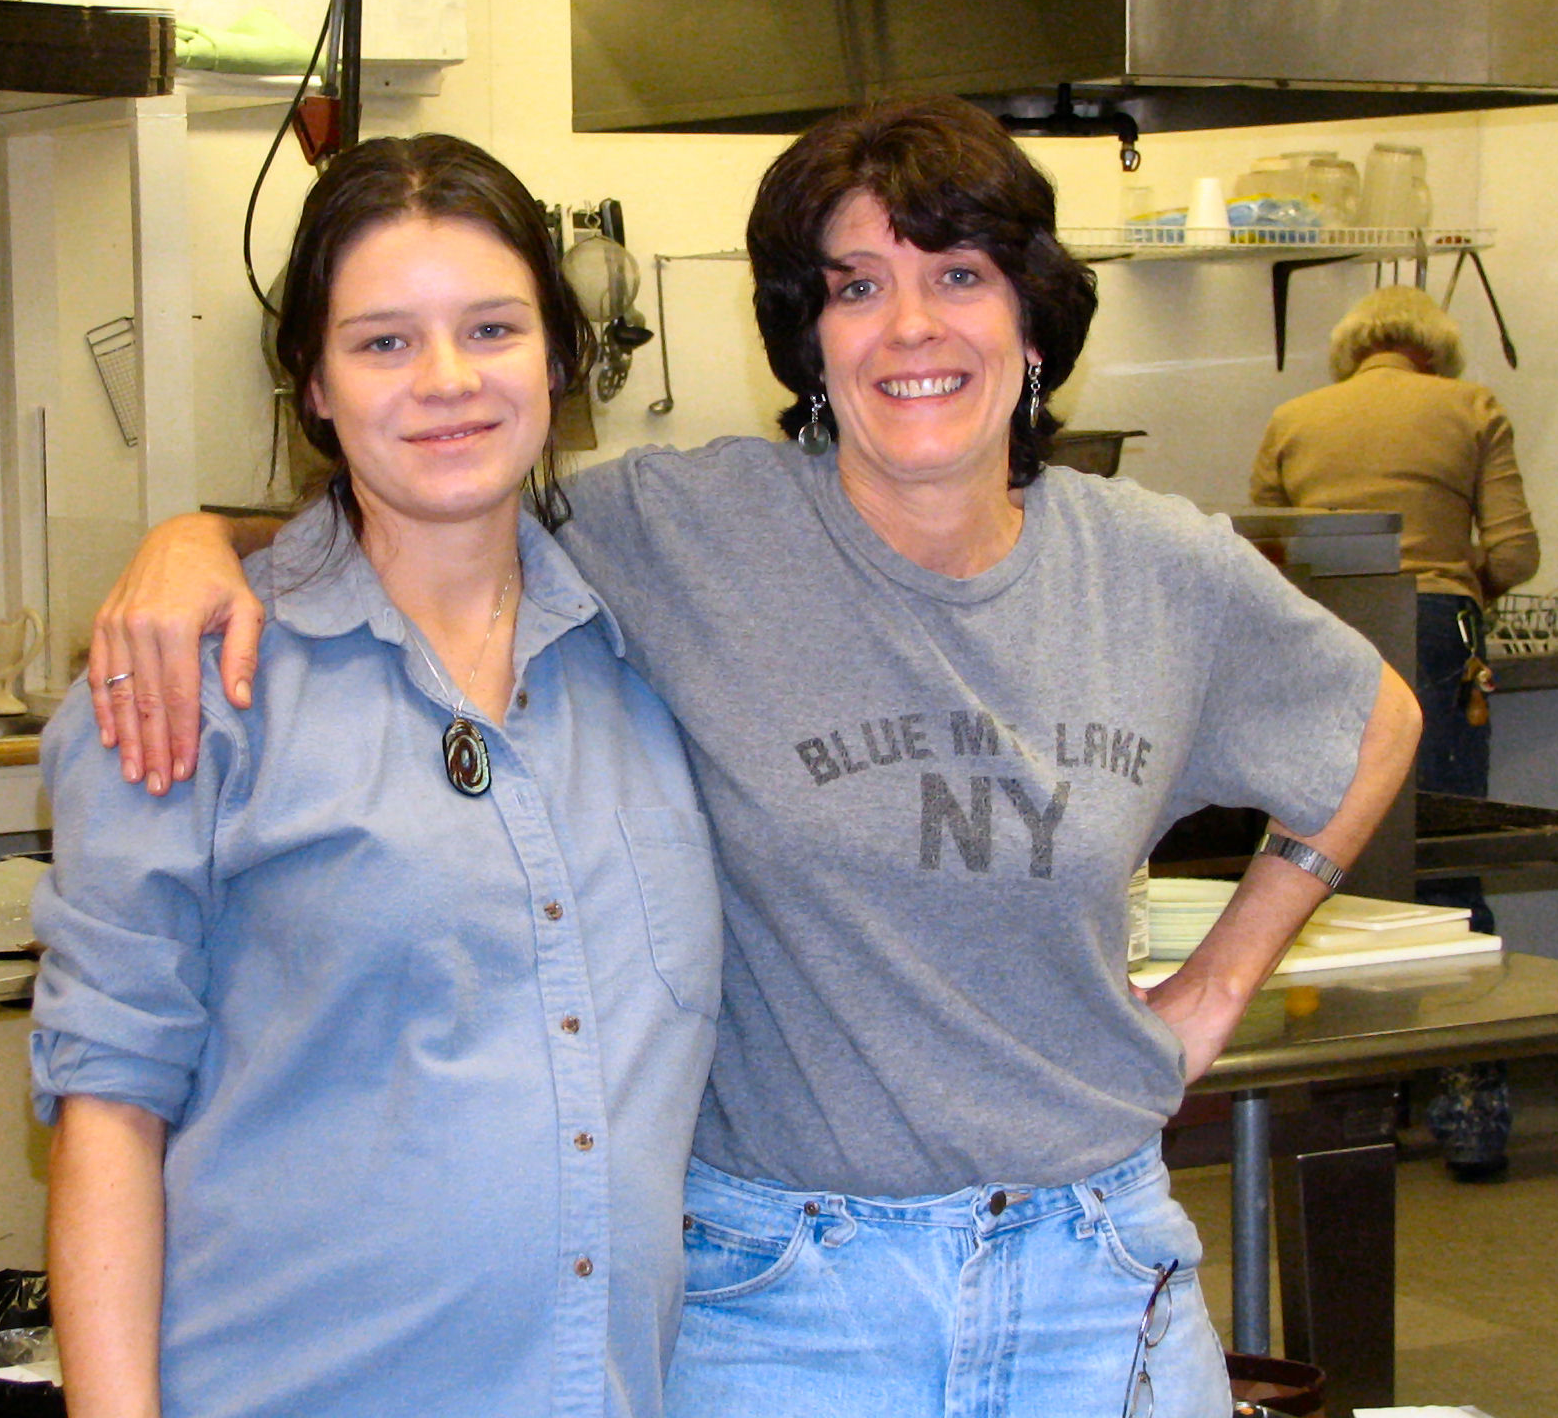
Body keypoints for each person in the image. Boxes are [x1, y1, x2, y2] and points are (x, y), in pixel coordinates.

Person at [86, 98, 1420, 1417]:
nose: (911, 326)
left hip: (1098, 1277)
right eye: (856, 286)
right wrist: (190, 543)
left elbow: (1378, 724)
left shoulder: (1154, 566)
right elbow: (433, 501)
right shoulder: (683, 533)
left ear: (1033, 318)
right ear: (807, 336)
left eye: (959, 275)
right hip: (787, 1294)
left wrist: (1217, 986)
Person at [30, 134, 723, 1418]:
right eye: (383, 342)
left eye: (491, 329)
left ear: (557, 357)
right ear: (313, 383)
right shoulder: (195, 687)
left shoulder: (650, 653)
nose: (445, 381)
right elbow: (108, 1107)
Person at [1252, 284, 1538, 1179]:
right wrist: (1461, 584)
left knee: (1325, 864)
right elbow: (1517, 551)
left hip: (1322, 638)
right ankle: (1471, 1119)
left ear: (1352, 352)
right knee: (1443, 858)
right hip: (1433, 634)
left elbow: (1267, 552)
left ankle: (1346, 1106)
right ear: (1435, 351)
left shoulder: (1295, 418)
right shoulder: (1470, 406)